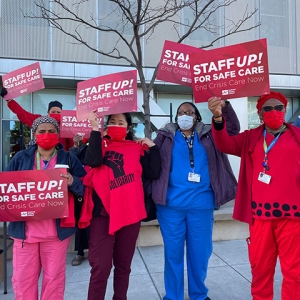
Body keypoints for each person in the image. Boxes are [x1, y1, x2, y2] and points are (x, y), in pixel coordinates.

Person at [209, 92, 300, 300]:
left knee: (295, 274)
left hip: (293, 217)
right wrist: (218, 118)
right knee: (260, 272)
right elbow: (225, 144)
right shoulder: (251, 137)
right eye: (267, 109)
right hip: (260, 217)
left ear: (285, 111)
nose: (273, 112)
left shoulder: (297, 136)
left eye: (278, 108)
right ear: (260, 114)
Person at [151, 101, 240, 300]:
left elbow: (233, 130)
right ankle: (173, 296)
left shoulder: (210, 134)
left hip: (202, 206)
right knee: (173, 254)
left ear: (197, 116)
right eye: (181, 113)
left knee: (200, 255)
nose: (185, 115)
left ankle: (199, 294)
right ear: (176, 117)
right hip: (170, 207)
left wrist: (223, 108)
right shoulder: (165, 135)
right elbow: (151, 158)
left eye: (189, 112)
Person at [79, 111, 161, 300]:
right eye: (112, 122)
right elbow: (92, 161)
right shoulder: (99, 144)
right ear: (107, 126)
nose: (116, 125)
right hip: (103, 216)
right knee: (101, 267)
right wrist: (94, 129)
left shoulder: (135, 148)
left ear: (128, 127)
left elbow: (153, 172)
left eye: (121, 122)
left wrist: (153, 148)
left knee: (123, 266)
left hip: (130, 215)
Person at [6, 116, 86, 300]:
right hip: (25, 234)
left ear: (58, 134)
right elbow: (6, 188)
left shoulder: (69, 158)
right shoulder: (21, 157)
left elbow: (85, 186)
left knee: (54, 282)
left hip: (56, 234)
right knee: (23, 281)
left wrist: (73, 181)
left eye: (51, 131)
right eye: (42, 131)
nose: (47, 134)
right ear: (34, 134)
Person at [0, 87, 73, 150]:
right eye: (53, 112)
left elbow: (71, 145)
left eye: (58, 112)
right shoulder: (39, 121)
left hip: (61, 158)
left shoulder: (66, 125)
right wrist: (9, 100)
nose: (56, 114)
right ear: (48, 112)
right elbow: (23, 114)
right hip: (41, 157)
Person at [69, 134, 90, 266]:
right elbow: (72, 161)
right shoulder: (79, 150)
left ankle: (94, 250)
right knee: (81, 222)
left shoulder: (100, 148)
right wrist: (76, 145)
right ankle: (80, 252)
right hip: (79, 191)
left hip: (96, 191)